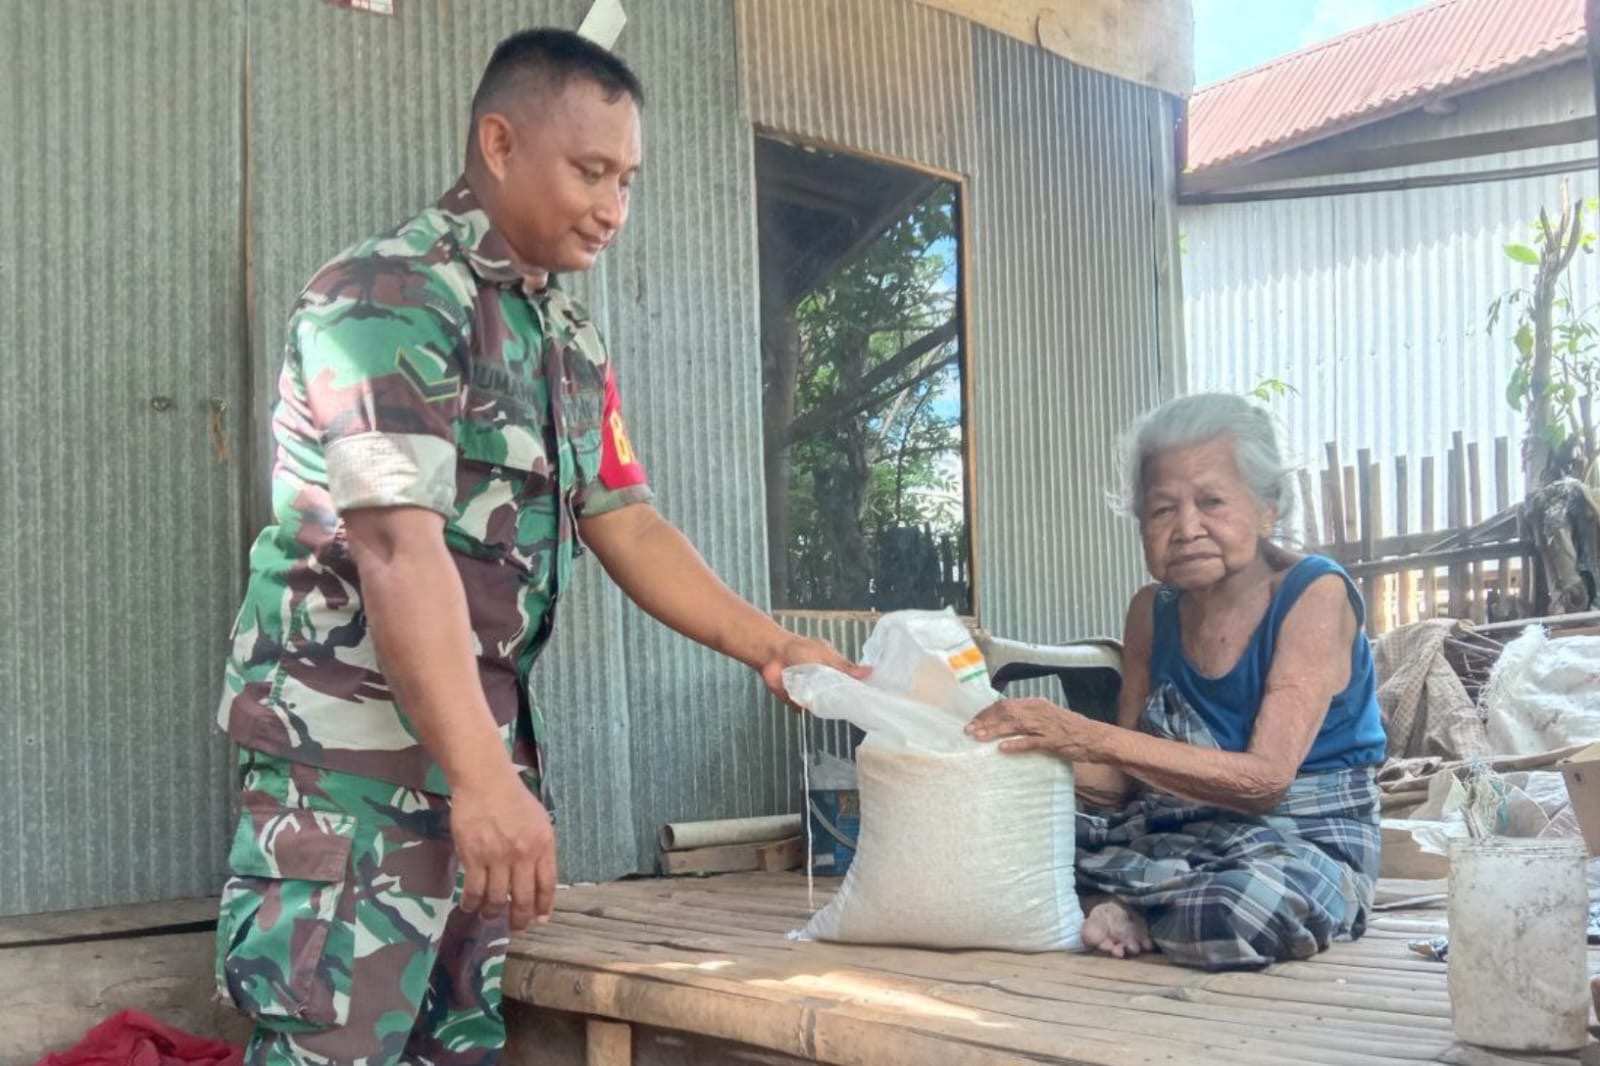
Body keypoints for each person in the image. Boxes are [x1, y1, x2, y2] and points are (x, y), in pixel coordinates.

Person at [212, 29, 858, 1065]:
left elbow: (626, 519)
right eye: (591, 171)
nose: (614, 208)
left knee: (454, 1049)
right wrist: (484, 782)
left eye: (628, 179)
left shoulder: (565, 334)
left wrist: (772, 646)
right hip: (353, 775)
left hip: (475, 769)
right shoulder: (385, 299)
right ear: (500, 143)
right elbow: (394, 549)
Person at [968, 393, 1386, 971]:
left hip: (1300, 837)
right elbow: (1117, 784)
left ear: (1268, 507)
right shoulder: (1151, 611)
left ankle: (1117, 906)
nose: (1187, 528)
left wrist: (1082, 735)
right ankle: (1128, 907)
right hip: (1173, 829)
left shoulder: (1314, 594)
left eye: (1211, 501)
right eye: (1162, 510)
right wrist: (991, 745)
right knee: (994, 842)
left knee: (1241, 904)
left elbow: (1265, 781)